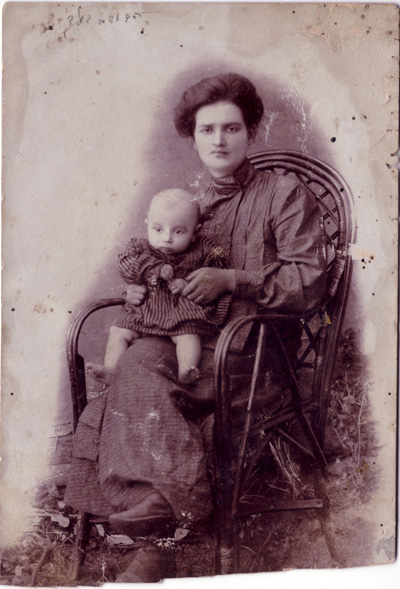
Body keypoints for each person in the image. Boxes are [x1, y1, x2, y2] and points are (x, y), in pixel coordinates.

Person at [65, 72, 327, 581]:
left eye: (232, 128)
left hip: (254, 352)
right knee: (138, 361)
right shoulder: (191, 205)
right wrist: (142, 291)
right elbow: (160, 266)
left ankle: (156, 538)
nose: (219, 140)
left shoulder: (284, 193)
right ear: (193, 137)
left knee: (140, 374)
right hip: (190, 345)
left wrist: (234, 279)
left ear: (251, 131)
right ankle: (157, 529)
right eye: (207, 130)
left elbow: (309, 281)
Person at [86, 188, 229, 386]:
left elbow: (216, 271)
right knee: (118, 331)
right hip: (144, 312)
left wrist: (188, 283)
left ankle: (186, 369)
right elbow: (125, 265)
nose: (167, 238)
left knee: (188, 336)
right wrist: (154, 268)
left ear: (195, 232)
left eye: (178, 231)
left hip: (181, 314)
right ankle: (111, 370)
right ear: (147, 224)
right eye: (158, 229)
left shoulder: (203, 249)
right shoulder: (139, 248)